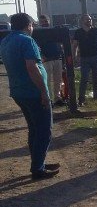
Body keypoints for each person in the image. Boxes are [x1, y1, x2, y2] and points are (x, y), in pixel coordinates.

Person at [0, 13, 60, 179]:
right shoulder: (27, 41)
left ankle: (38, 162)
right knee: (44, 130)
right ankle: (37, 168)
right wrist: (43, 92)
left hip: (19, 91)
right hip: (33, 92)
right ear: (28, 25)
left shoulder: (5, 41)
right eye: (32, 25)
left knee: (34, 129)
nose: (32, 28)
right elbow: (32, 67)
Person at [36, 14, 65, 106]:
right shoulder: (38, 33)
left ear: (49, 21)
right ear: (39, 23)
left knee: (58, 80)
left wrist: (61, 55)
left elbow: (61, 43)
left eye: (46, 21)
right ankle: (49, 99)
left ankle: (57, 98)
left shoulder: (54, 31)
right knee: (47, 81)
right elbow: (37, 46)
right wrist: (42, 56)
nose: (45, 23)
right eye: (42, 21)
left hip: (57, 58)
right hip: (46, 59)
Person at [72, 14, 97, 106]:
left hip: (96, 57)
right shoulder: (78, 32)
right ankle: (81, 99)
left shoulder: (96, 31)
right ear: (82, 21)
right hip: (84, 58)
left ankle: (96, 97)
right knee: (84, 78)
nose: (89, 21)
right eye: (87, 19)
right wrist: (74, 56)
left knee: (96, 78)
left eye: (90, 19)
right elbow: (75, 45)